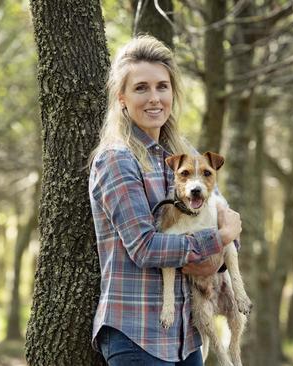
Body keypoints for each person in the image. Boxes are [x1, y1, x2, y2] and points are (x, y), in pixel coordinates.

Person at [88, 35, 242, 366]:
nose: (154, 97)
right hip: (137, 335)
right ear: (122, 98)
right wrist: (217, 241)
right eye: (141, 88)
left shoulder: (183, 158)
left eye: (162, 86)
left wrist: (223, 249)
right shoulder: (117, 160)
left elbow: (226, 218)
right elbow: (144, 248)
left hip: (186, 338)